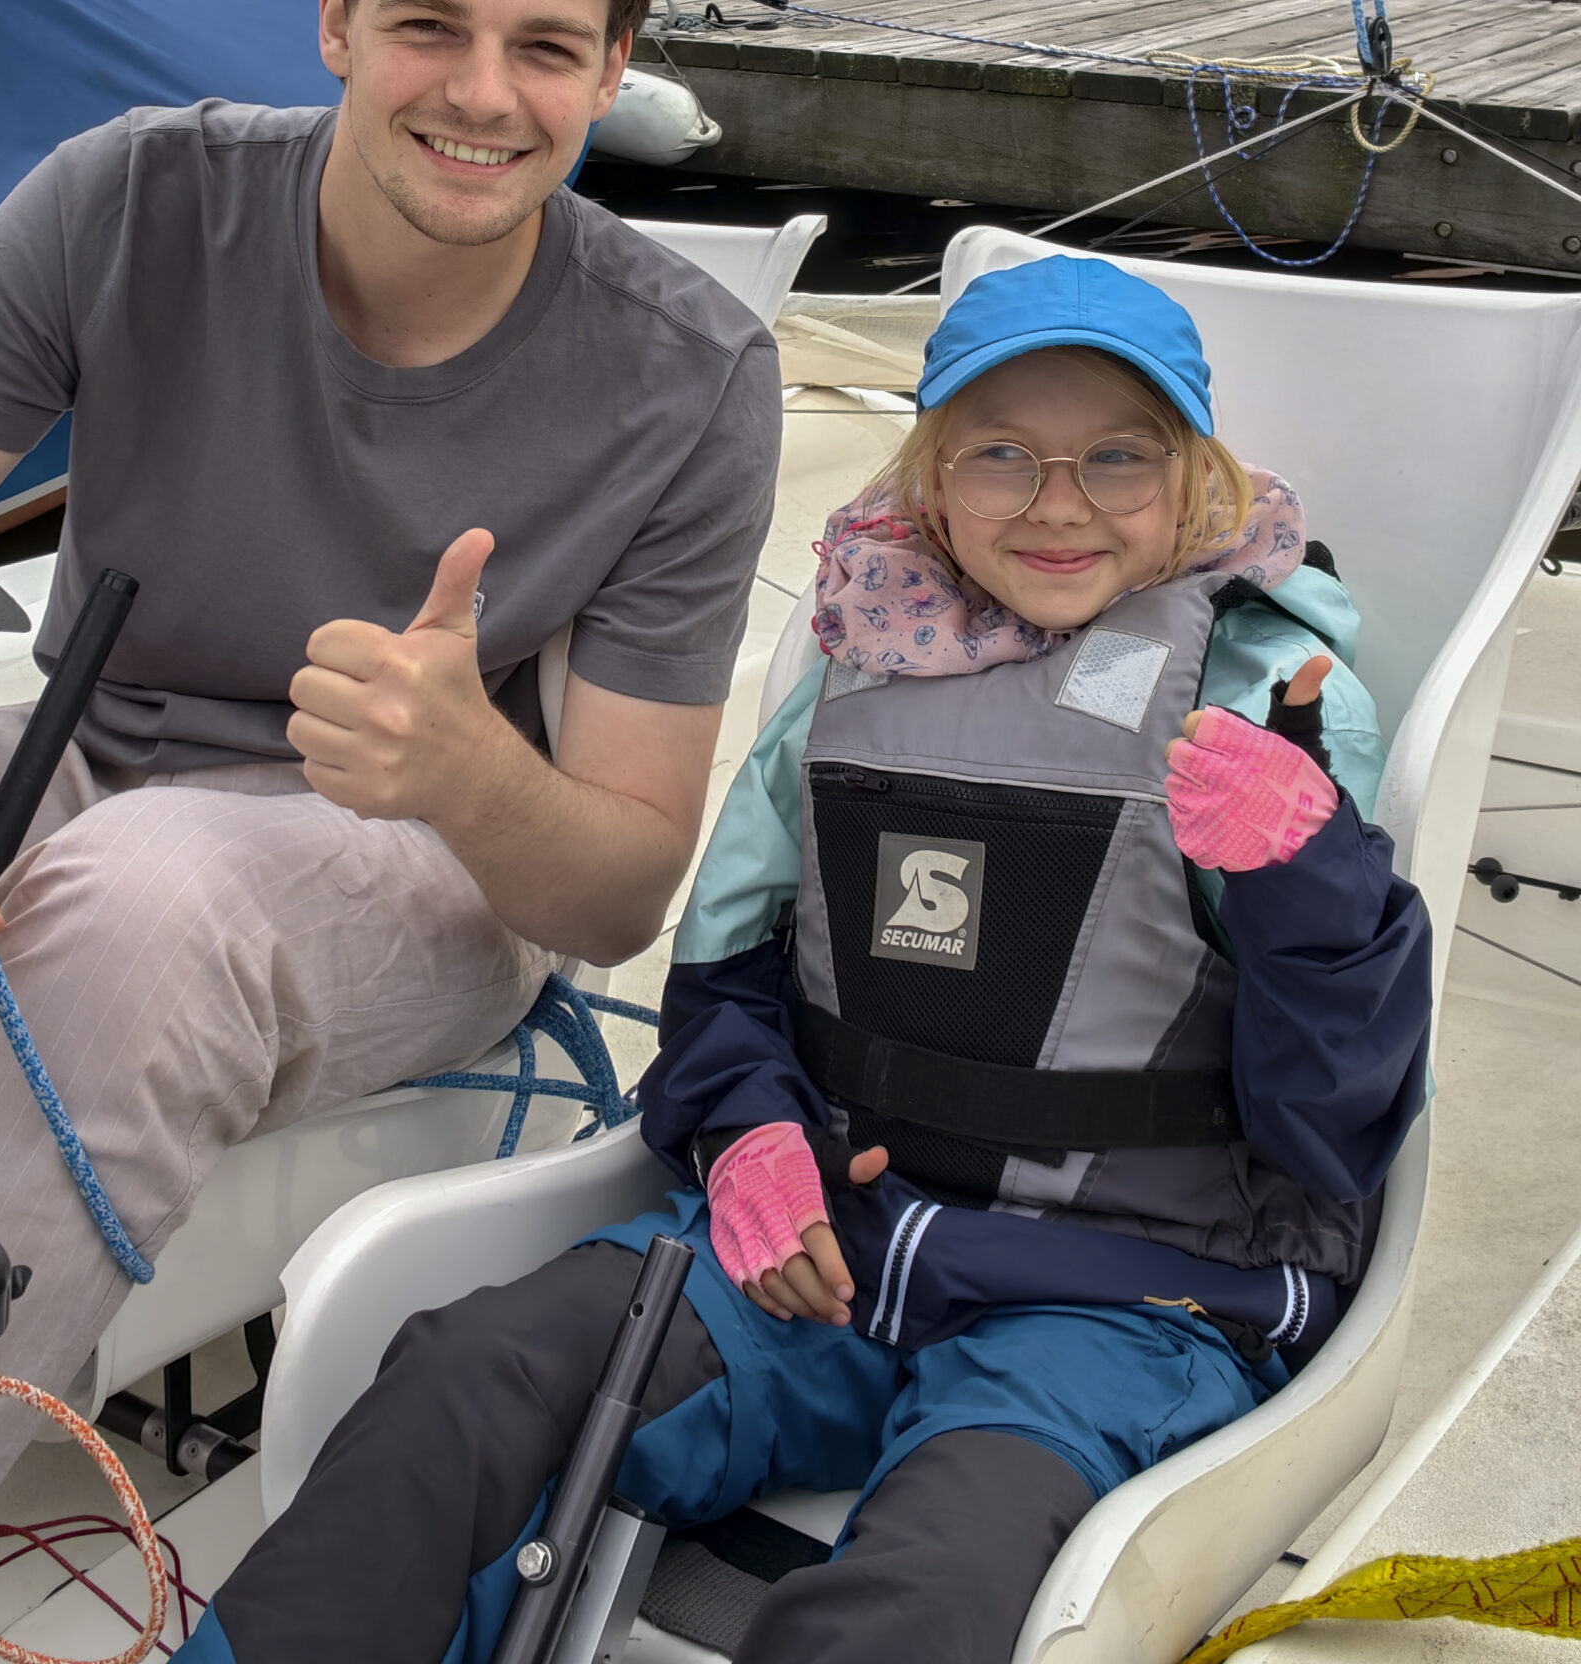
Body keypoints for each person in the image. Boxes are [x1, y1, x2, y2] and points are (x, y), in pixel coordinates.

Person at [0, 0, 783, 1657]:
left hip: (429, 862)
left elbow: (617, 888)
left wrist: (465, 769)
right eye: (429, 24)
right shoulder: (131, 201)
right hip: (85, 776)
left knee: (151, 890)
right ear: (332, 18)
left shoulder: (693, 376)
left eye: (546, 46)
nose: (482, 92)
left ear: (612, 75)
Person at [199, 252, 1432, 1664]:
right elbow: (727, 980)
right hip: (825, 1258)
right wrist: (748, 1137)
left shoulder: (1270, 702)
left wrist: (1309, 882)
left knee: (931, 1593)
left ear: (1193, 481)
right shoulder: (855, 663)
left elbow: (1335, 1132)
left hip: (1121, 1300)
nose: (1058, 503)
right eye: (1001, 456)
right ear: (932, 482)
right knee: (471, 1377)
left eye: (1117, 458)